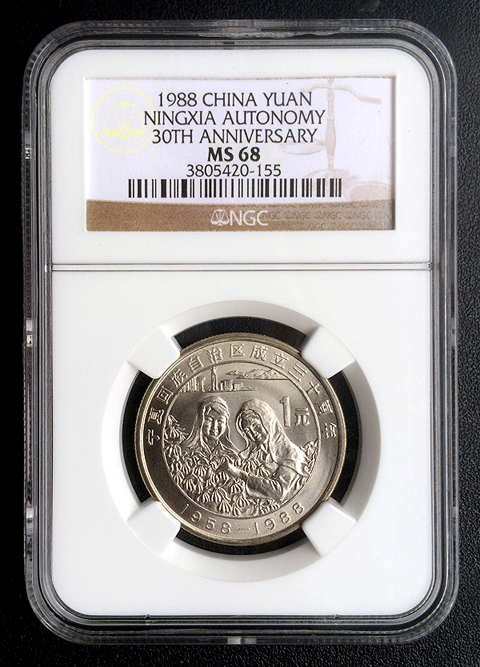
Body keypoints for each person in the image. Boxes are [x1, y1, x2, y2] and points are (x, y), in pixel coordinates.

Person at [225, 399, 310, 503]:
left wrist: (239, 473)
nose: (253, 433)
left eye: (256, 426)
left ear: (267, 422)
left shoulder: (292, 453)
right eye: (247, 431)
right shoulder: (253, 454)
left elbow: (278, 492)